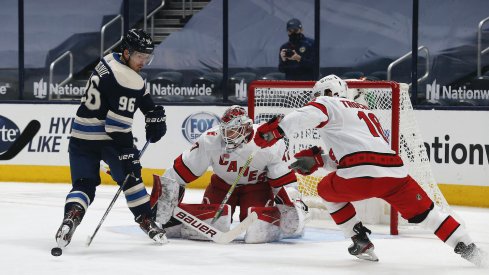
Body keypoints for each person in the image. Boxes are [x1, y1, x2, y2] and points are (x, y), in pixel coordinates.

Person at [254, 74, 486, 265]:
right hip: (394, 174)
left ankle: (359, 239)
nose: (314, 100)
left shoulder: (328, 102)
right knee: (429, 215)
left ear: (326, 93)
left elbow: (307, 115)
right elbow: (347, 157)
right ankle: (471, 250)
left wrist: (276, 130)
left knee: (326, 189)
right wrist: (321, 160)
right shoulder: (363, 110)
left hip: (359, 174)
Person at [55, 29, 168, 248]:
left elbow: (136, 91)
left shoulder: (109, 60)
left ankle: (71, 217)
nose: (143, 62)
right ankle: (146, 219)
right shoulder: (126, 79)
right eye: (139, 57)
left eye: (147, 57)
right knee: (131, 177)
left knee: (83, 184)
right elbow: (116, 127)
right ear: (126, 52)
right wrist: (128, 155)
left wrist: (151, 110)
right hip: (107, 137)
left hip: (79, 136)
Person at [151, 105, 307, 243]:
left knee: (255, 224)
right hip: (221, 187)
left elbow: (283, 179)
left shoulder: (269, 142)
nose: (226, 135)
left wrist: (292, 206)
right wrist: (163, 200)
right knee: (214, 220)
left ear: (246, 128)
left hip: (257, 188)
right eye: (225, 130)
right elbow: (182, 170)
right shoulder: (210, 140)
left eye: (233, 130)